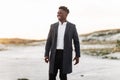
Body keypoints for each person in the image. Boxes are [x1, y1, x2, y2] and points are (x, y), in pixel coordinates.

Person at [44, 6, 80, 80]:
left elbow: (76, 42)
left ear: (66, 14)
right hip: (54, 54)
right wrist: (46, 54)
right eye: (58, 13)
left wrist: (77, 55)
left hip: (66, 55)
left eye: (60, 13)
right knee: (51, 76)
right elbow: (49, 41)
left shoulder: (72, 27)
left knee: (63, 76)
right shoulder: (53, 26)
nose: (58, 14)